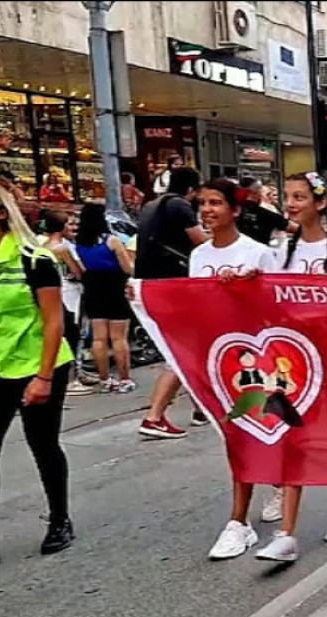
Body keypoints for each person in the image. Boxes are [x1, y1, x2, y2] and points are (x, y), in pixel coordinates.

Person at [249, 172, 327, 563]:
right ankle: (286, 532)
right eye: (287, 196)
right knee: (291, 436)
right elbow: (266, 299)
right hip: (293, 360)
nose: (291, 204)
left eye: (299, 196)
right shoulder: (279, 251)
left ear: (319, 203)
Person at [189, 178, 285, 561]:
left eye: (216, 203)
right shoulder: (198, 257)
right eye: (203, 204)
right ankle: (244, 517)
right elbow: (191, 305)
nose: (208, 210)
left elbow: (277, 309)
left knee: (253, 433)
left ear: (236, 210)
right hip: (217, 359)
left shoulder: (259, 254)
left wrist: (244, 290)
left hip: (256, 360)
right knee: (236, 437)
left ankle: (239, 519)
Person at [0, 181, 77, 568]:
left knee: (43, 444)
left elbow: (54, 322)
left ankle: (59, 520)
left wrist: (43, 377)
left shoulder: (33, 258)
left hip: (36, 365)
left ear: (1, 213)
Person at [135, 166, 207, 438]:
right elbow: (200, 242)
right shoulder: (180, 206)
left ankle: (202, 407)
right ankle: (154, 416)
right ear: (192, 189)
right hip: (173, 283)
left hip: (151, 284)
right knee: (182, 352)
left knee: (192, 349)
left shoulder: (152, 205)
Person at [74, 203, 135, 393]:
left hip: (92, 287)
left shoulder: (78, 243)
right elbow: (128, 268)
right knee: (118, 337)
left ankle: (105, 378)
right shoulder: (112, 241)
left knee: (98, 337)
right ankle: (124, 378)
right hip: (115, 287)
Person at [38, 210, 93, 395]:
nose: (74, 227)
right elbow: (78, 271)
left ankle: (75, 373)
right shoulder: (62, 248)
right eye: (69, 224)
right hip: (69, 292)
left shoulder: (40, 245)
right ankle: (72, 379)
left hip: (53, 293)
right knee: (72, 334)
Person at [235, 177, 296, 247]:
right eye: (261, 189)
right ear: (255, 192)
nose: (262, 193)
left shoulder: (232, 212)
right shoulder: (265, 213)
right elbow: (294, 228)